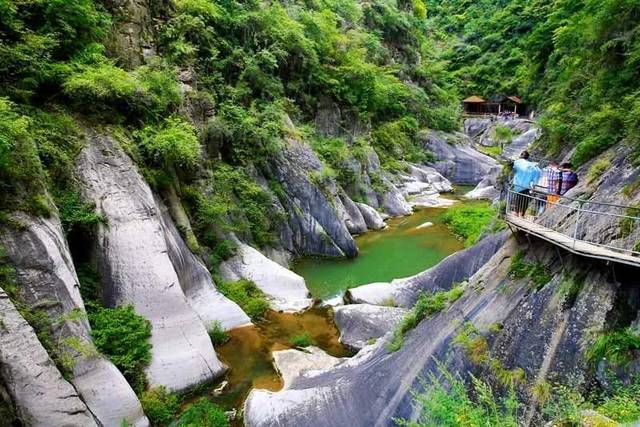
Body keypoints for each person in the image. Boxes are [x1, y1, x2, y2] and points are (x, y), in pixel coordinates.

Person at [512, 150, 541, 217]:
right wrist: (533, 185)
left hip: (517, 184)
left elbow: (514, 170)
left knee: (517, 199)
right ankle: (522, 214)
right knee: (525, 200)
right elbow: (536, 175)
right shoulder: (533, 166)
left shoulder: (517, 162)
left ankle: (516, 213)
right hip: (526, 186)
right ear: (528, 157)